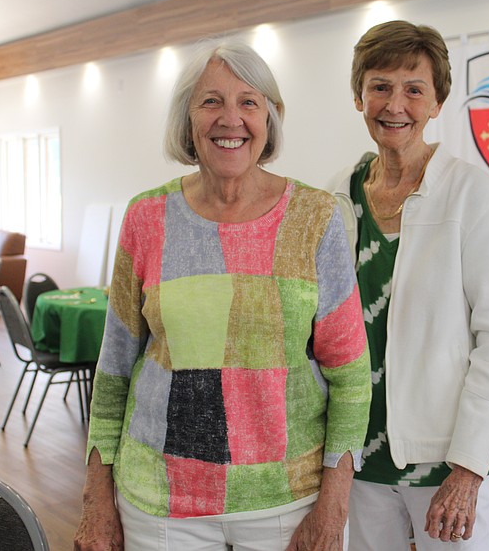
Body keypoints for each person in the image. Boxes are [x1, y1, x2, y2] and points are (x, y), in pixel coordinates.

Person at [74, 40, 371, 551]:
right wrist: (96, 499)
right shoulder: (146, 218)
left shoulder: (315, 217)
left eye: (248, 102)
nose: (230, 119)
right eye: (211, 101)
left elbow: (351, 376)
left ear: (270, 117)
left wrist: (334, 506)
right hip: (160, 501)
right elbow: (114, 370)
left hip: (285, 501)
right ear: (186, 119)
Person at [331, 21, 489, 550]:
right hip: (358, 459)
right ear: (359, 96)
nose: (395, 104)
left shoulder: (472, 195)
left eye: (414, 90)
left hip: (448, 460)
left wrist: (468, 467)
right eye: (380, 86)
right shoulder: (337, 197)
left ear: (437, 103)